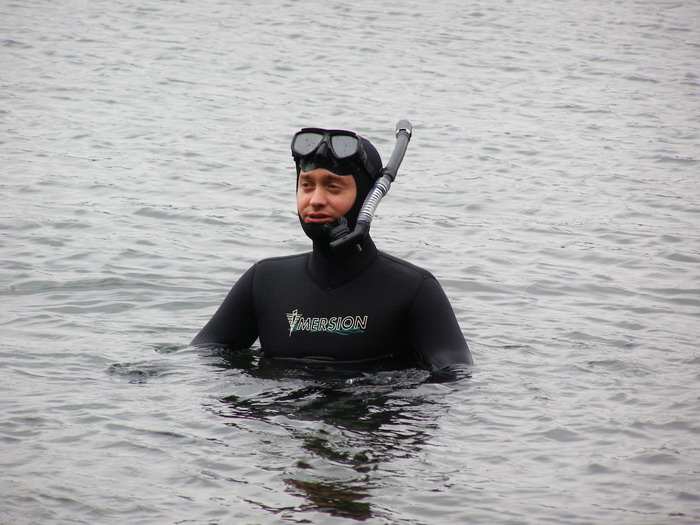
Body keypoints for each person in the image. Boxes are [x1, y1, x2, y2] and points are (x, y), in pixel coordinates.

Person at [191, 127, 473, 377]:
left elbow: (455, 376)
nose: (315, 200)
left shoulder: (413, 289)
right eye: (307, 185)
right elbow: (198, 359)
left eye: (333, 187)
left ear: (367, 197)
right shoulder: (264, 281)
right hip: (282, 418)